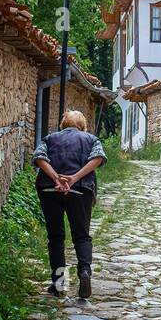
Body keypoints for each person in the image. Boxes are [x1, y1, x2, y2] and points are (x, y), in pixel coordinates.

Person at [31, 110, 106, 299]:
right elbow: (98, 158)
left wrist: (56, 178)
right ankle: (84, 272)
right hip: (80, 190)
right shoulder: (91, 139)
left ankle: (58, 284)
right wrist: (73, 178)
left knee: (56, 237)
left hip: (50, 190)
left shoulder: (49, 139)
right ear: (82, 125)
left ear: (63, 124)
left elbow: (39, 158)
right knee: (81, 236)